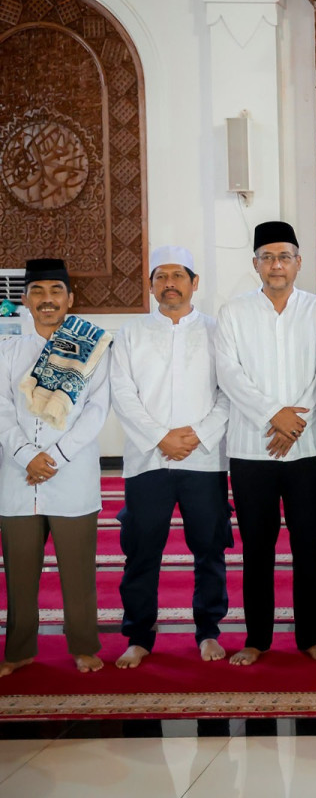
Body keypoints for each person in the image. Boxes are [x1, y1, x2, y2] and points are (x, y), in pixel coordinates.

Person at [215, 220, 316, 666]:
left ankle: (311, 636)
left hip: (307, 448)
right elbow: (229, 374)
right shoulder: (233, 312)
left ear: (298, 262)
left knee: (307, 546)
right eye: (267, 257)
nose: (276, 264)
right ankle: (257, 638)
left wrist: (294, 423)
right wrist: (273, 416)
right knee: (257, 548)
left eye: (284, 256)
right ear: (255, 264)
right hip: (252, 449)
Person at [110, 246, 232, 668]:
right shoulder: (131, 333)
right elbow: (122, 393)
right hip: (148, 460)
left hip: (204, 459)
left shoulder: (217, 331)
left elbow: (228, 391)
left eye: (178, 275)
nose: (169, 284)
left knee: (209, 548)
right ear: (150, 286)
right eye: (160, 277)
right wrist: (161, 437)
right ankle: (139, 636)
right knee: (141, 550)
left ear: (194, 283)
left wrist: (198, 435)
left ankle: (208, 631)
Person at [0, 258, 112, 676]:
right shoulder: (7, 350)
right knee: (19, 573)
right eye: (38, 291)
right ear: (25, 299)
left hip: (72, 475)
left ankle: (83, 646)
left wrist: (56, 458)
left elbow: (97, 410)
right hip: (18, 477)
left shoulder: (93, 349)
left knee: (78, 571)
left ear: (70, 298)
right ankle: (19, 650)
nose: (47, 300)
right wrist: (26, 455)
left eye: (55, 291)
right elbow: (2, 410)